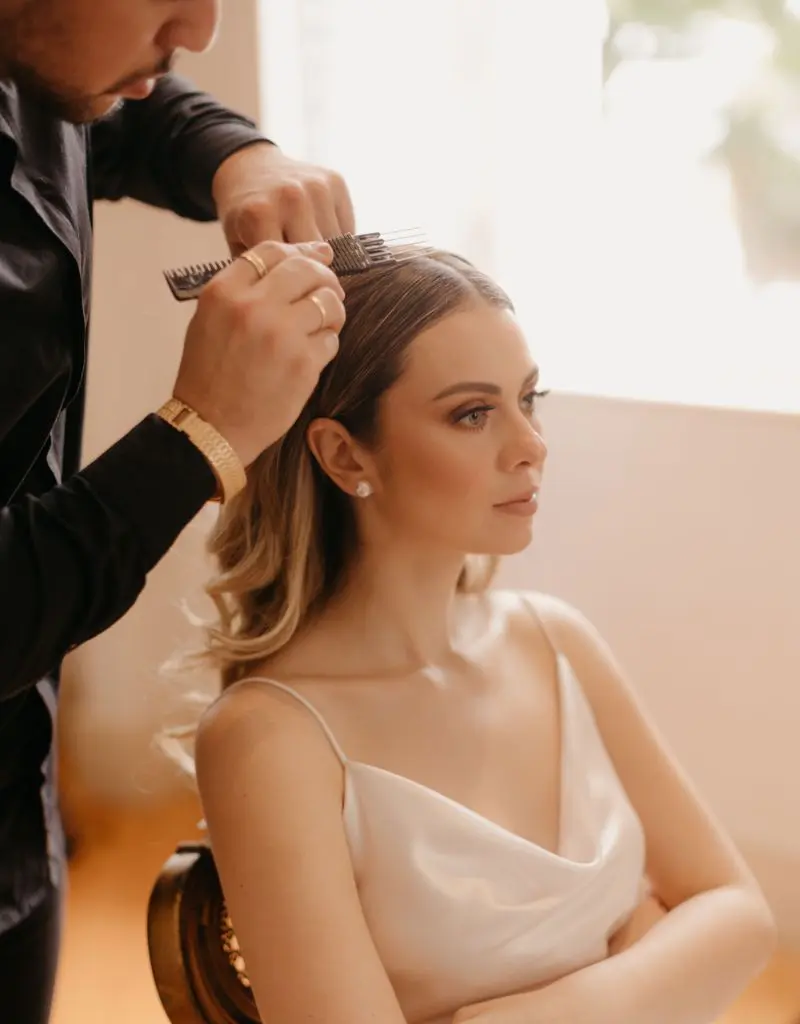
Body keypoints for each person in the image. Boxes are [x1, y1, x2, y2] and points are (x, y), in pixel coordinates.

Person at [191, 251, 777, 1024]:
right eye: (473, 413)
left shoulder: (555, 641)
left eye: (530, 399)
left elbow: (740, 913)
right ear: (344, 454)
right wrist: (650, 952)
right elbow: (707, 930)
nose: (531, 443)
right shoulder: (270, 738)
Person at [0, 1, 354, 1019]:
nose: (199, 28)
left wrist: (236, 155)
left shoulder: (51, 54)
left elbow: (110, 106)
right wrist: (197, 435)